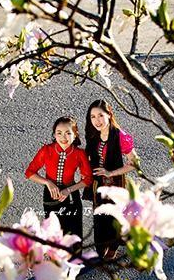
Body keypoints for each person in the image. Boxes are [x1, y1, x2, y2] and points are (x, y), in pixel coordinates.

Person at [84, 99, 138, 259]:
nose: (97, 121)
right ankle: (101, 250)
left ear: (109, 114)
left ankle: (113, 248)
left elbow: (134, 163)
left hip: (115, 186)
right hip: (98, 186)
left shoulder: (119, 136)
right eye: (93, 117)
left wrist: (110, 173)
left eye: (100, 115)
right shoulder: (93, 134)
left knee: (114, 218)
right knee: (100, 218)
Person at [25, 116, 92, 240]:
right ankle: (53, 257)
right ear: (54, 135)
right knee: (52, 230)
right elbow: (29, 173)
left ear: (75, 134)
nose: (63, 138)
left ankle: (75, 258)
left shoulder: (79, 153)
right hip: (51, 194)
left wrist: (69, 190)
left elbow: (88, 179)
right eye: (59, 133)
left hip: (71, 194)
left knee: (73, 230)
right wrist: (47, 182)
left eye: (68, 133)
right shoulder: (47, 150)